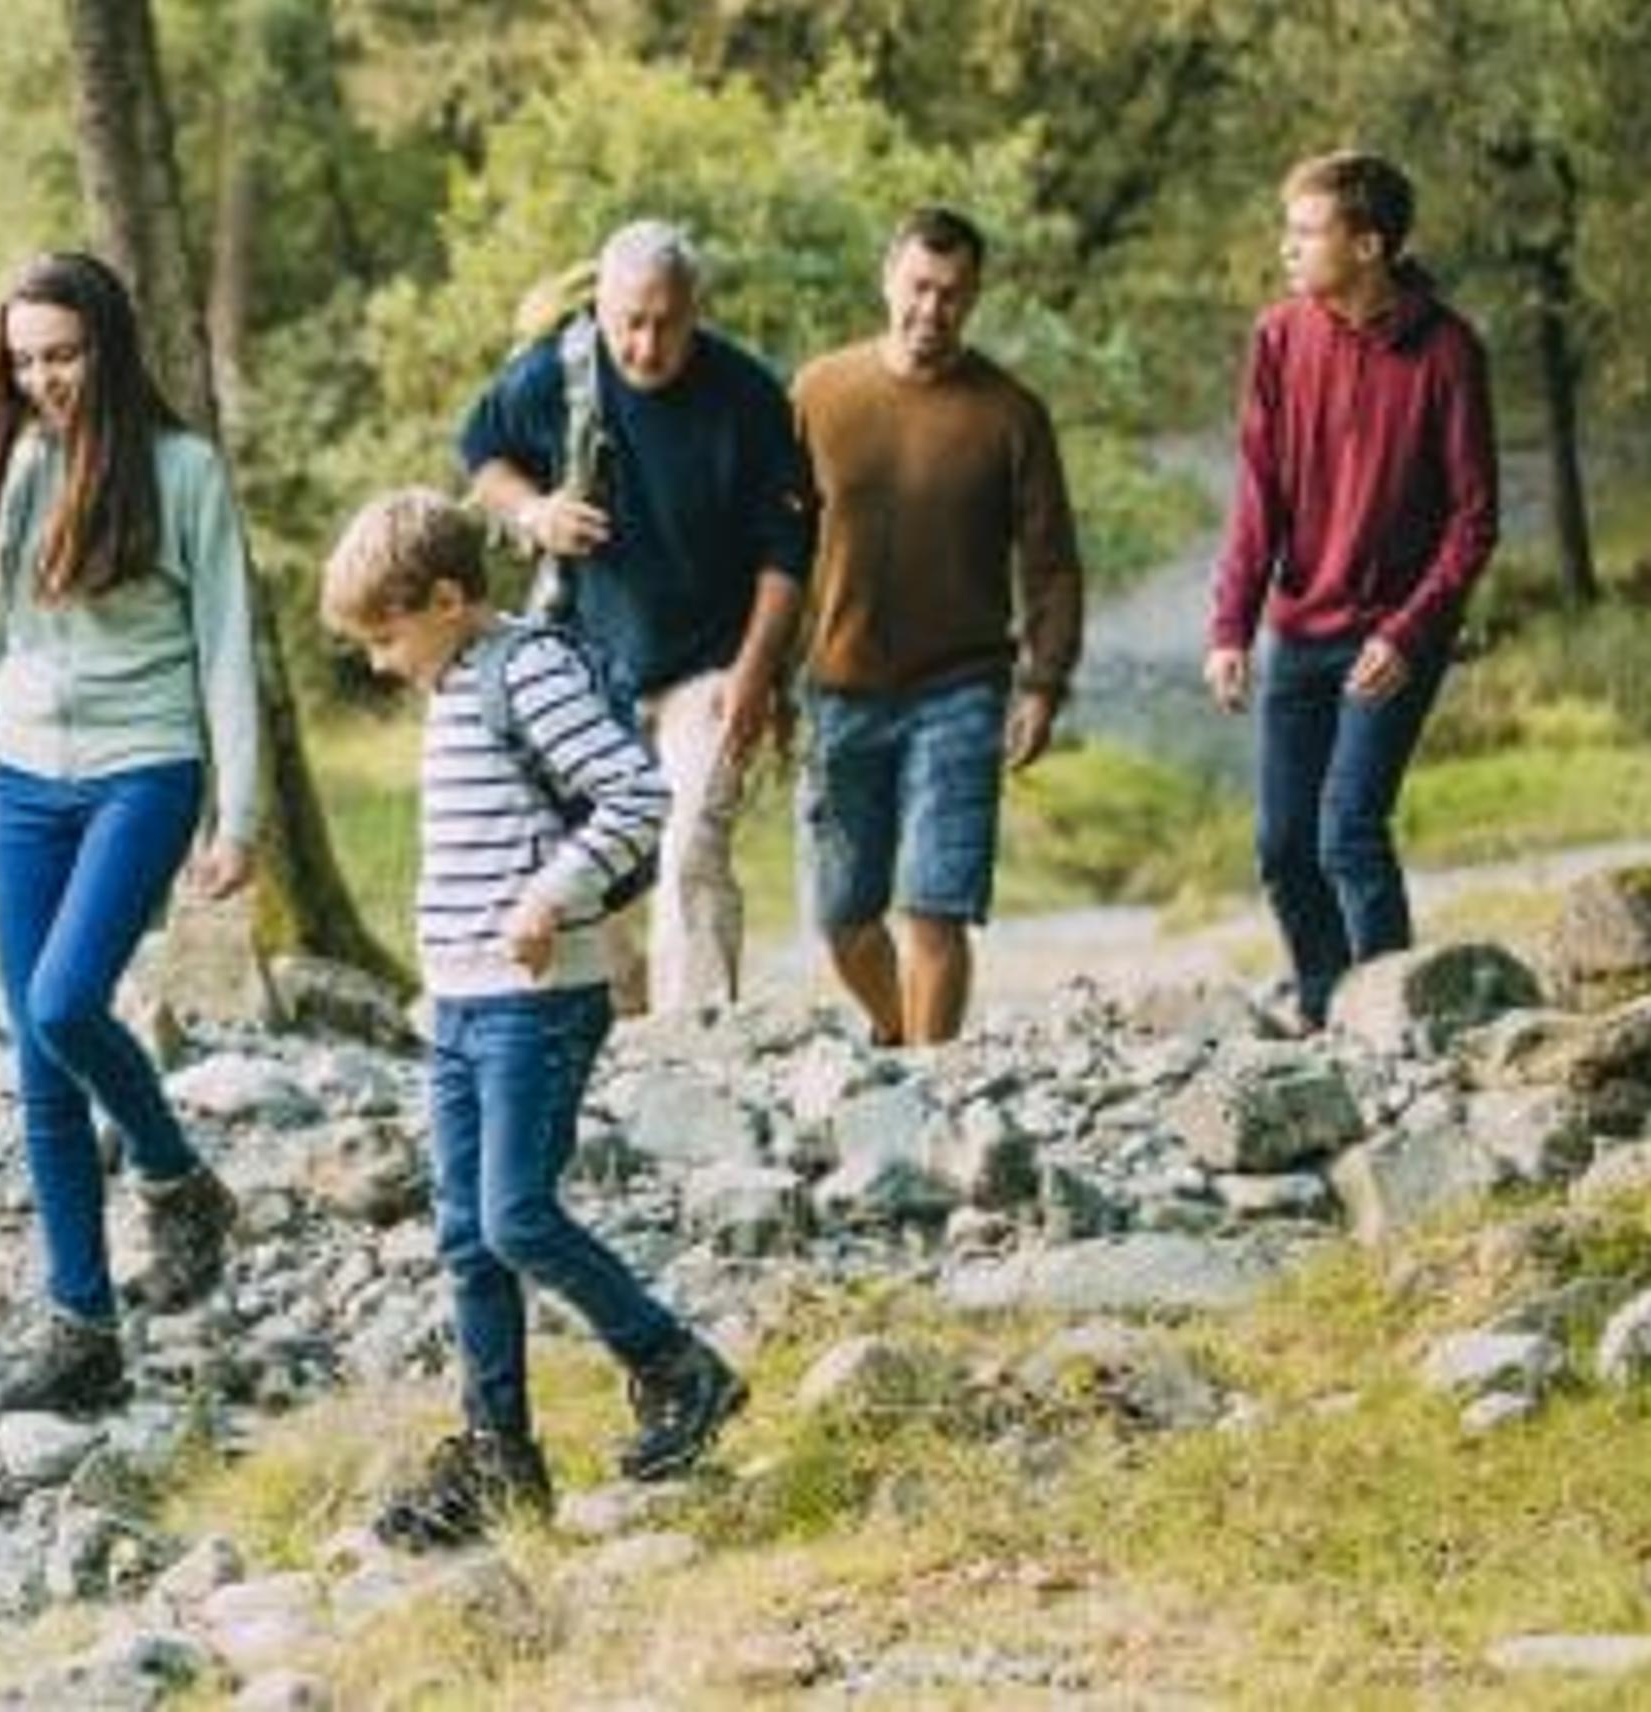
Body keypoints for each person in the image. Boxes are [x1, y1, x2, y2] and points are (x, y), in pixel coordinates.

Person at [320, 488, 745, 1548]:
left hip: (537, 1004)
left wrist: (552, 895)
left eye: (385, 636)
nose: (379, 661)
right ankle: (501, 1460)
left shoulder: (528, 670)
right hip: (462, 1004)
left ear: (450, 599)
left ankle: (676, 1366)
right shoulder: (456, 677)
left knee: (515, 1216)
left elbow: (638, 797)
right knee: (468, 1239)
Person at [0, 250, 258, 1418]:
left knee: (63, 1002)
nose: (47, 380)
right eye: (27, 360)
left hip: (141, 768)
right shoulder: (7, 467)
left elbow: (226, 645)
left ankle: (174, 1174)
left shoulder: (183, 471)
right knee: (38, 1058)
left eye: (66, 355)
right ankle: (83, 1327)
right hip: (19, 778)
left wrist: (238, 811)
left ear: (109, 347)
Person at [459, 220, 814, 1019]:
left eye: (666, 323)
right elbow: (482, 452)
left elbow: (788, 553)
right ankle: (607, 1032)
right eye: (631, 321)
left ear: (695, 311)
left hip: (712, 661)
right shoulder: (562, 371)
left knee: (690, 845)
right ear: (603, 307)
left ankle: (696, 1039)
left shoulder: (749, 397)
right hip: (588, 662)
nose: (647, 345)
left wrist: (756, 674)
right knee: (594, 862)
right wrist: (535, 512)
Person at [1205, 151, 1499, 1030]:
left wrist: (1408, 635)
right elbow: (1260, 497)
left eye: (1306, 231)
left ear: (1368, 244)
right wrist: (1230, 626)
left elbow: (1475, 522)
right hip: (1301, 626)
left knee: (1348, 832)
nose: (1287, 248)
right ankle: (1332, 1007)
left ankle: (1398, 1020)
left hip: (1393, 639)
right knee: (1284, 847)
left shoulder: (1448, 352)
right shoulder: (1279, 337)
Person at [789, 208, 1085, 1047]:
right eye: (919, 287)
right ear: (889, 279)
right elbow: (771, 550)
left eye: (953, 296)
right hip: (839, 688)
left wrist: (1043, 683)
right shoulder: (819, 393)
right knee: (843, 916)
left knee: (934, 909)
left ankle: (932, 1090)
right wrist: (762, 678)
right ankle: (894, 1034)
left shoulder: (1011, 414)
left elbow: (1053, 564)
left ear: (976, 298)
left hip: (960, 689)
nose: (932, 310)